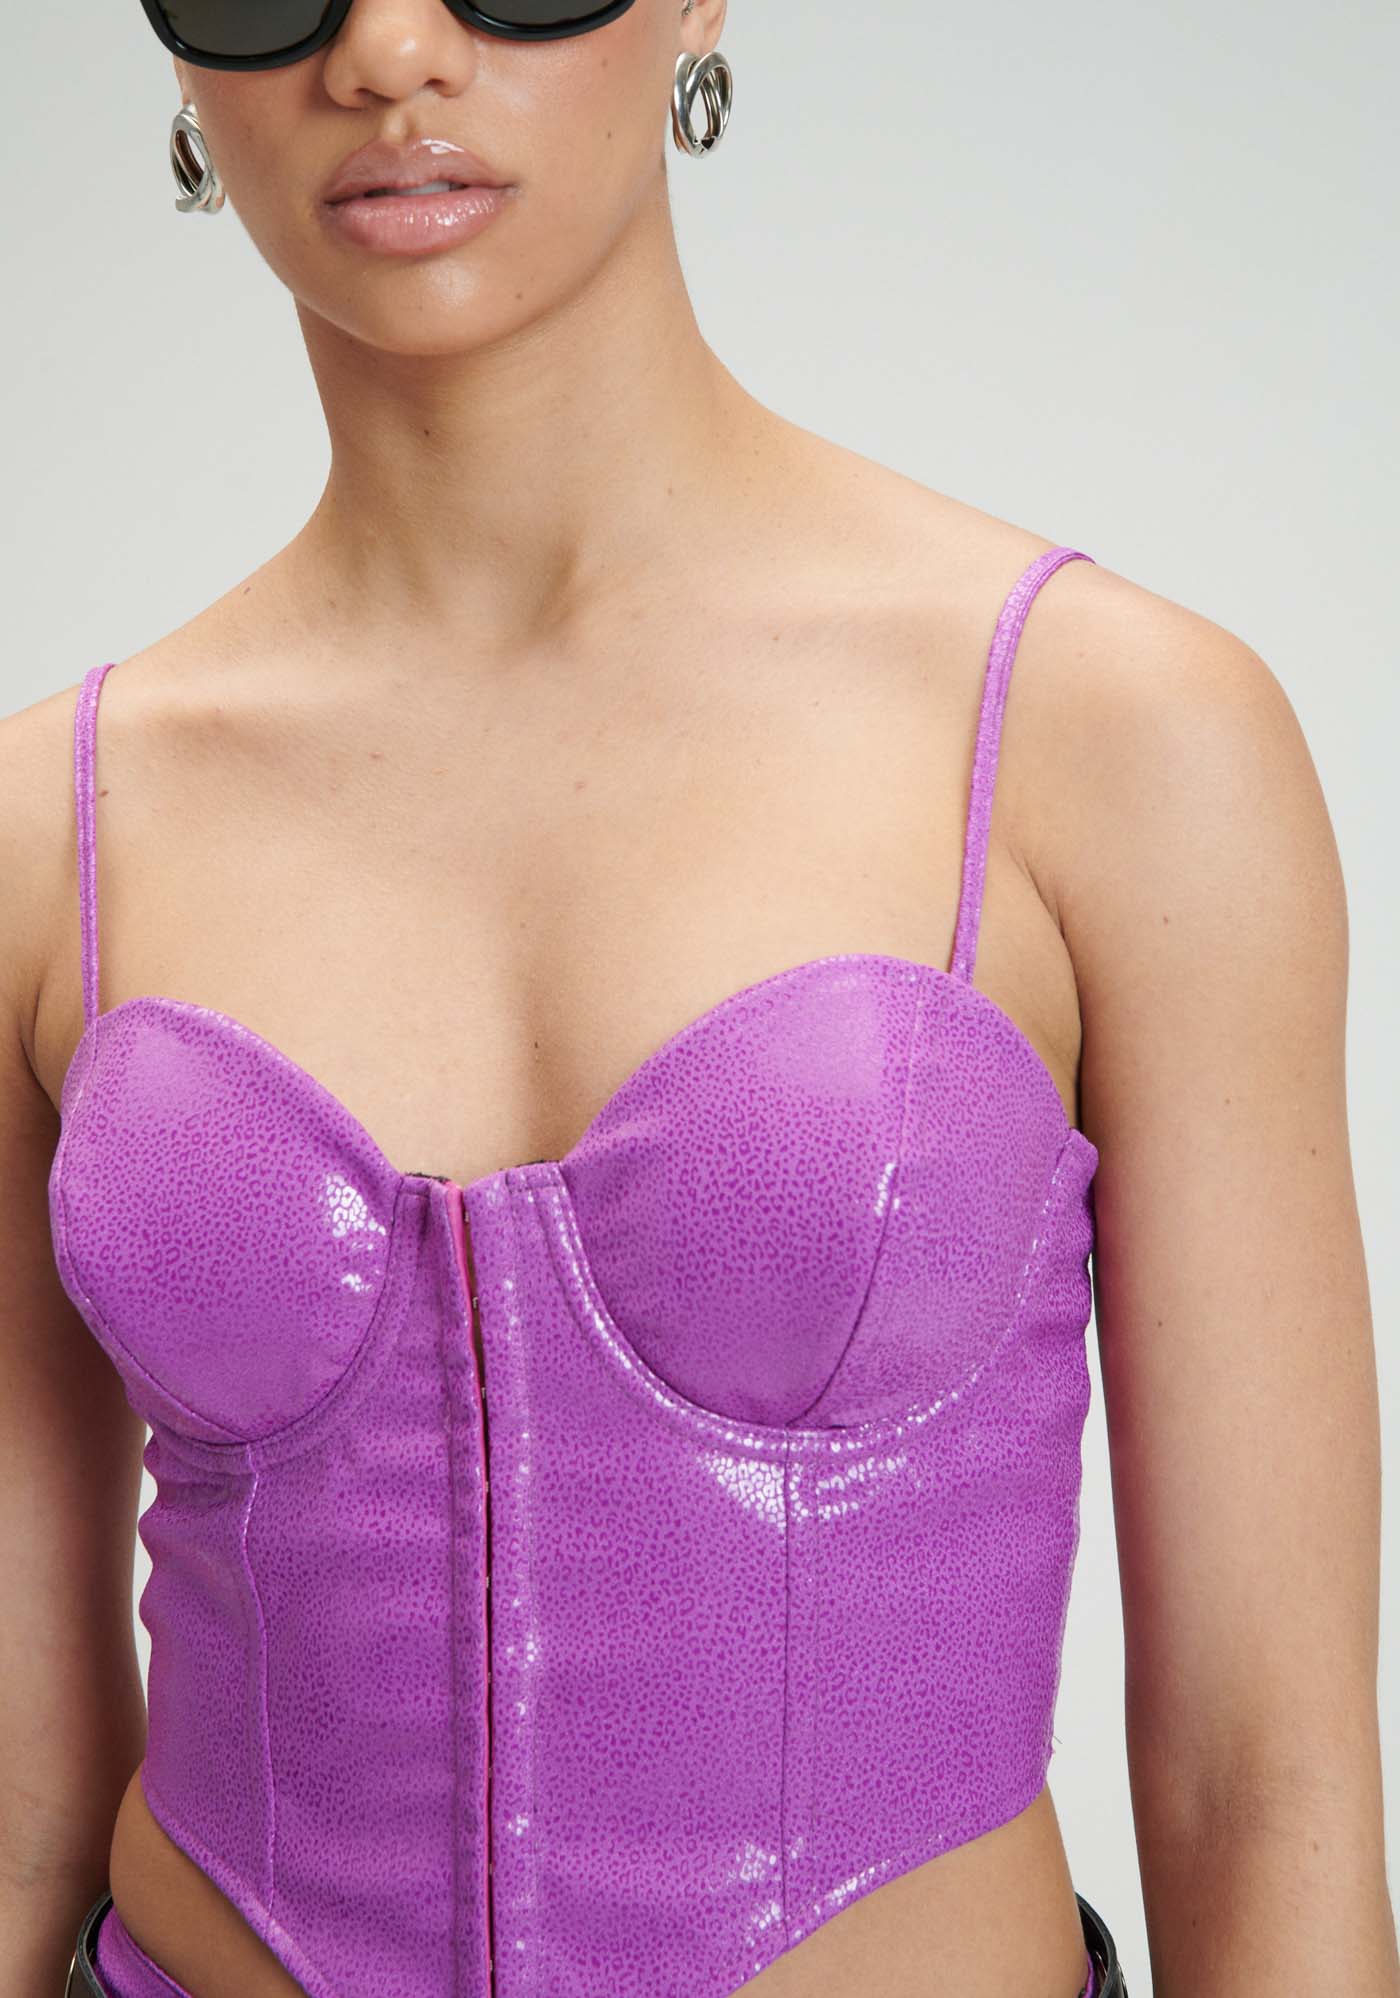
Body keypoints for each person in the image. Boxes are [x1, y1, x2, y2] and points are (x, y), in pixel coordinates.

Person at [3, 3, 1393, 1996]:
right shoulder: (47, 831)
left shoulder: (1109, 732)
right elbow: (18, 1787)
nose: (385, 49)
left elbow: (1263, 1780)